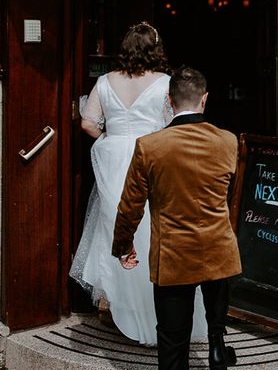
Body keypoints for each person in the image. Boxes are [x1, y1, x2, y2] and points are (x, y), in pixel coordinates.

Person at [112, 66, 241, 370]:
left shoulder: (150, 146)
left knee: (173, 350)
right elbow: (225, 192)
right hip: (218, 251)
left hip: (174, 260)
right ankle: (219, 344)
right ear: (205, 100)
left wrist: (122, 247)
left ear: (169, 103)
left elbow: (129, 206)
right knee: (216, 303)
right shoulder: (228, 141)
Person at [70, 22, 207, 345]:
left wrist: (110, 136)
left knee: (115, 224)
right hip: (152, 153)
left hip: (113, 156)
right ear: (155, 49)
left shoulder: (105, 82)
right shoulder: (164, 83)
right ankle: (161, 307)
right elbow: (173, 122)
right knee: (151, 226)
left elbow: (87, 122)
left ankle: (122, 307)